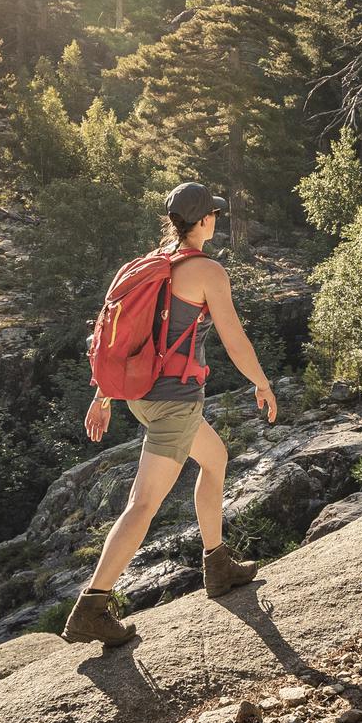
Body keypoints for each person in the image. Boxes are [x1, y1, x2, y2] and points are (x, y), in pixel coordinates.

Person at [61, 182, 278, 647]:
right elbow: (235, 339)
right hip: (175, 401)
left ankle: (216, 564)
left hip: (142, 396)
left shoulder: (152, 264)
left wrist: (103, 395)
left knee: (215, 459)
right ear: (202, 221)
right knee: (143, 504)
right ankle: (92, 605)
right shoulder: (206, 271)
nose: (216, 221)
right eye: (213, 215)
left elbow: (117, 337)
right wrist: (261, 382)